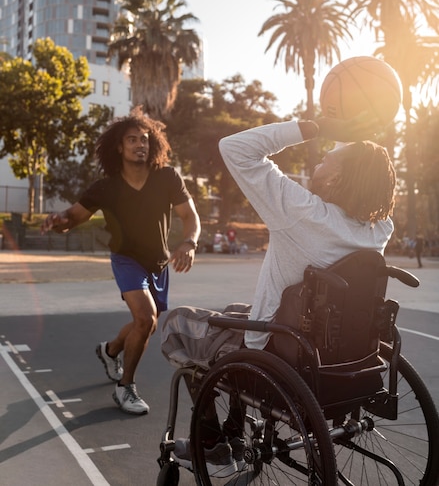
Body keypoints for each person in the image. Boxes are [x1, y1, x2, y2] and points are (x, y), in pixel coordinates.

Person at [161, 114, 396, 473]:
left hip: (284, 355)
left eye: (326, 157)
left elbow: (235, 148)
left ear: (335, 178)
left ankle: (212, 444)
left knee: (176, 325)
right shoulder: (380, 229)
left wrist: (309, 127)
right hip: (341, 358)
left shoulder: (303, 213)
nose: (319, 158)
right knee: (236, 311)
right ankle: (233, 431)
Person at [41, 108, 200, 415]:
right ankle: (125, 387)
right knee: (145, 318)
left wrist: (189, 242)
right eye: (132, 139)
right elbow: (71, 218)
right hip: (126, 260)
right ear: (119, 146)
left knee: (148, 325)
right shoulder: (106, 187)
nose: (140, 144)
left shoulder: (167, 177)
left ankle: (110, 350)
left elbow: (190, 215)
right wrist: (57, 220)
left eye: (144, 139)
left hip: (158, 263)